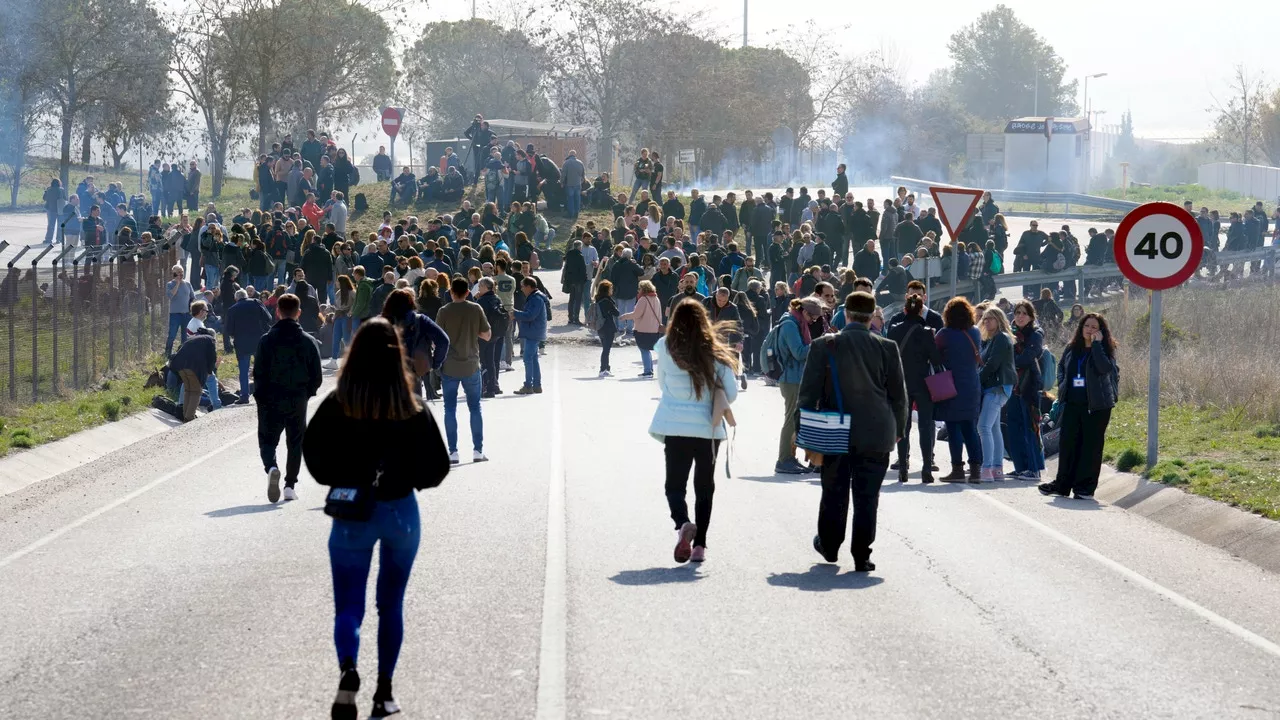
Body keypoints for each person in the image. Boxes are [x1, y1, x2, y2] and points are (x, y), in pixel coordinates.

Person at [303, 318, 450, 720]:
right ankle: (384, 691)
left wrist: (340, 478)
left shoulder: (338, 402)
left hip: (352, 511)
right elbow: (437, 467)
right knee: (391, 604)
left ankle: (349, 667)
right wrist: (405, 476)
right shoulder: (412, 405)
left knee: (349, 606)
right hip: (400, 509)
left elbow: (312, 453)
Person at [803, 292, 908, 572]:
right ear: (873, 314)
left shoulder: (824, 345)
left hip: (834, 428)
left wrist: (801, 431)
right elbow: (899, 395)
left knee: (834, 490)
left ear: (845, 314)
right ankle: (862, 554)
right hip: (877, 430)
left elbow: (807, 394)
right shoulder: (887, 347)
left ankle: (829, 544)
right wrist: (898, 428)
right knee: (868, 496)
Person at [648, 299, 739, 564]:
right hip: (708, 430)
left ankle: (683, 523)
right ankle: (699, 546)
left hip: (675, 426)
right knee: (704, 487)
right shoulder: (714, 351)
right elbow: (730, 394)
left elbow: (662, 385)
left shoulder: (665, 347)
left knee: (674, 485)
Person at [253, 293, 323, 503]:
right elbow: (316, 376)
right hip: (297, 397)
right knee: (295, 441)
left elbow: (258, 373)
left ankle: (271, 467)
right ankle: (290, 485)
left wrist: (260, 396)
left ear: (277, 311)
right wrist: (307, 393)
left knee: (267, 441)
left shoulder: (266, 340)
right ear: (298, 313)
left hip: (270, 398)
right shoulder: (308, 341)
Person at [1042, 313, 1119, 500]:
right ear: (1081, 327)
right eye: (1087, 326)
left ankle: (1085, 488)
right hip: (1072, 404)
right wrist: (1062, 386)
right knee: (1067, 445)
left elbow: (1104, 368)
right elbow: (1061, 368)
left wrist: (1097, 345)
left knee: (1090, 447)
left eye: (1094, 327)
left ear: (1100, 331)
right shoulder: (1072, 348)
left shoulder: (1105, 349)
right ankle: (1062, 485)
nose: (1090, 330)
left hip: (1096, 406)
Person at [886, 294, 942, 483]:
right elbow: (936, 359)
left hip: (900, 383)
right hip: (923, 384)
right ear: (921, 310)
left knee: (904, 427)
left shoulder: (893, 330)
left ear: (904, 310)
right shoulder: (926, 332)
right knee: (926, 426)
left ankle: (903, 467)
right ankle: (927, 467)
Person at [435, 276, 492, 462]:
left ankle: (453, 452)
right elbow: (487, 335)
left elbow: (437, 340)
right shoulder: (475, 309)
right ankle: (477, 450)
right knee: (475, 408)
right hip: (471, 364)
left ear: (451, 292)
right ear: (468, 292)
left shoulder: (444, 311)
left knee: (449, 409)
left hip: (450, 365)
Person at [935, 297, 984, 483]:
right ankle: (976, 470)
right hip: (972, 385)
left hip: (951, 385)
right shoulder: (975, 332)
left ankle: (957, 469)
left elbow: (934, 353)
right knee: (971, 428)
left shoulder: (944, 334)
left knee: (954, 428)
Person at [773, 296, 821, 474]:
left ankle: (790, 458)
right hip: (790, 378)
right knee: (791, 421)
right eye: (813, 317)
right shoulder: (790, 325)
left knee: (795, 420)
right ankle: (784, 459)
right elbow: (799, 352)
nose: (813, 321)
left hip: (796, 377)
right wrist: (819, 344)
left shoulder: (797, 322)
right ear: (805, 312)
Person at [1008, 300, 1046, 481]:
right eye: (1017, 313)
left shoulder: (1036, 334)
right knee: (1014, 427)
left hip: (1029, 387)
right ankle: (1020, 467)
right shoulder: (1009, 333)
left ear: (1031, 317)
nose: (1020, 316)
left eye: (1024, 313)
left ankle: (1034, 468)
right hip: (1013, 387)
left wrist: (1010, 360)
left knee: (1031, 428)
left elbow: (1028, 357)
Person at [977, 306, 1017, 481]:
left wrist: (976, 381)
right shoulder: (993, 339)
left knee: (983, 427)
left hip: (997, 387)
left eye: (990, 318)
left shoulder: (1001, 338)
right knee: (993, 428)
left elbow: (992, 364)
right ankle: (997, 469)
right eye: (985, 318)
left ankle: (987, 469)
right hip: (996, 387)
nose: (986, 321)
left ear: (999, 320)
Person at [223, 288, 273, 404]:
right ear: (246, 296)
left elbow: (228, 330)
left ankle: (244, 396)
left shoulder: (232, 309)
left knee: (244, 370)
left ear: (236, 299)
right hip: (259, 340)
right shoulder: (256, 303)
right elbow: (269, 318)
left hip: (242, 343)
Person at [169, 327, 218, 422]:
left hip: (179, 365)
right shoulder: (210, 340)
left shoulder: (194, 338)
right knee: (196, 392)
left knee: (188, 390)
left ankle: (185, 415)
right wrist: (209, 371)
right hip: (193, 367)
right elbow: (212, 358)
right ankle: (189, 418)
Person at [619, 279, 663, 378]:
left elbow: (636, 314)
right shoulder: (656, 298)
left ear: (643, 289)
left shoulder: (643, 299)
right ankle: (650, 370)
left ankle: (648, 371)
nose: (638, 290)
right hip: (654, 329)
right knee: (647, 350)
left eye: (639, 288)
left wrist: (624, 316)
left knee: (644, 350)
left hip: (642, 329)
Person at [511, 277, 548, 394]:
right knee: (533, 359)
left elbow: (530, 315)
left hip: (533, 332)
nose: (521, 289)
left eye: (522, 286)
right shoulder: (536, 297)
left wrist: (515, 313)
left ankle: (528, 385)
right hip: (534, 331)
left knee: (528, 358)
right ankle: (536, 385)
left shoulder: (536, 298)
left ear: (528, 286)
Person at [165, 265, 196, 356]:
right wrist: (177, 283)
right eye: (178, 272)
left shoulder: (187, 284)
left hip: (186, 314)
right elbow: (171, 296)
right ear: (174, 273)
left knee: (185, 335)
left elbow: (193, 297)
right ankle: (167, 352)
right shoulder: (170, 284)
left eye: (181, 272)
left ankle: (184, 352)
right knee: (172, 334)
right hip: (175, 314)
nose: (180, 274)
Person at [594, 280, 621, 377]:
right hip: (608, 327)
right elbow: (616, 313)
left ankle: (606, 368)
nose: (612, 290)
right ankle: (603, 369)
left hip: (600, 327)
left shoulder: (598, 299)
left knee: (605, 348)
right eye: (611, 288)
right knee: (606, 350)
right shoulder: (607, 301)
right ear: (607, 290)